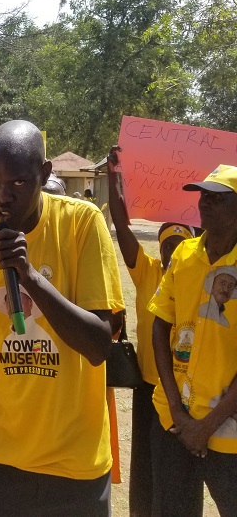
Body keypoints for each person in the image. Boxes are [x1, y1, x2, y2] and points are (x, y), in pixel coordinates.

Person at [0, 120, 124, 516]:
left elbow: (99, 344)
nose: (2, 199)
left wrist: (30, 277)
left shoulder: (82, 225)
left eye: (18, 184)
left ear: (45, 174)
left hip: (76, 468)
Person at [105, 144, 194, 516]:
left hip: (188, 392)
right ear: (160, 249)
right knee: (144, 461)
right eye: (167, 244)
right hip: (148, 386)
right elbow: (122, 226)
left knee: (180, 468)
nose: (172, 250)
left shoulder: (199, 279)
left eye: (180, 244)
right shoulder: (148, 272)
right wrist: (113, 176)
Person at [149, 164, 237, 516]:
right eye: (203, 194)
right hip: (173, 420)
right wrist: (177, 412)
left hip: (228, 427)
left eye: (217, 197)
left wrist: (206, 426)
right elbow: (159, 327)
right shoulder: (183, 255)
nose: (205, 203)